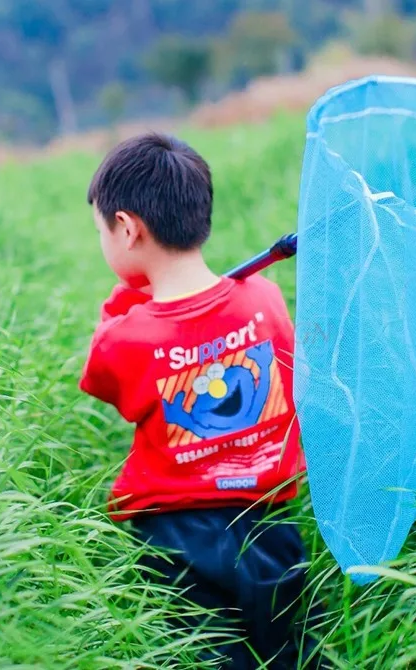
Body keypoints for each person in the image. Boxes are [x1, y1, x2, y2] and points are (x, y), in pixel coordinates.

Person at [80, 133, 320, 668]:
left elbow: (103, 379)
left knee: (206, 658)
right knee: (289, 651)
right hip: (268, 522)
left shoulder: (125, 338)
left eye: (101, 229)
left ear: (127, 228)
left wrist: (126, 302)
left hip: (176, 537)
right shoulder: (265, 300)